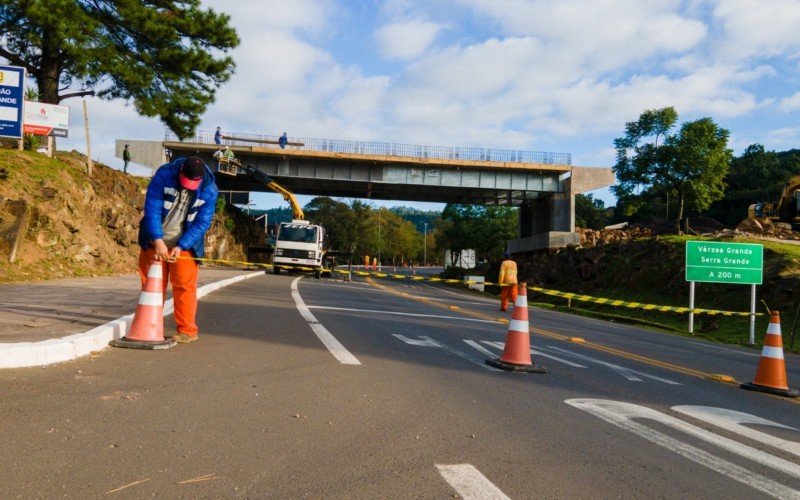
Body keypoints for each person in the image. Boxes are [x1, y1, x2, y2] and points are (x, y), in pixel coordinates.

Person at [137, 156, 219, 343]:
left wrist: (181, 246)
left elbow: (202, 223)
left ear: (200, 179)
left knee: (184, 287)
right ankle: (150, 326)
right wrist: (157, 241)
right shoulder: (164, 175)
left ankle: (187, 330)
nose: (187, 186)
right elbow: (152, 209)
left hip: (185, 246)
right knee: (152, 287)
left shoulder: (209, 190)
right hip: (154, 241)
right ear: (180, 171)